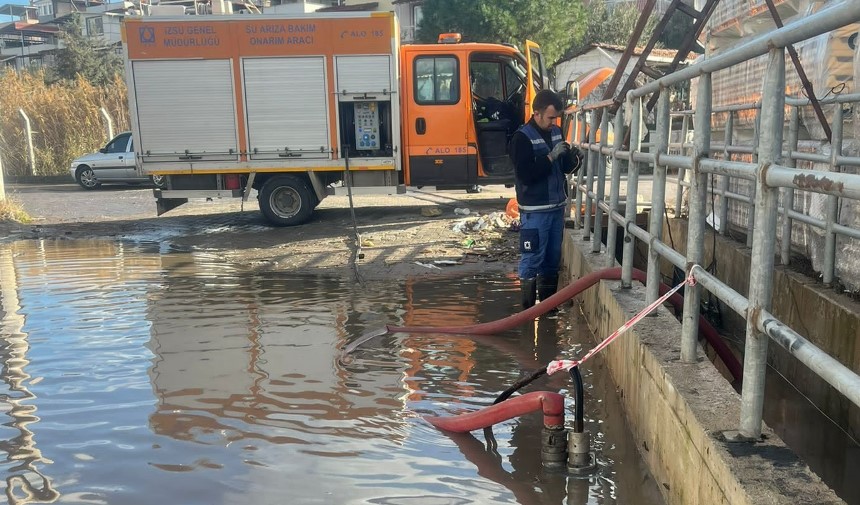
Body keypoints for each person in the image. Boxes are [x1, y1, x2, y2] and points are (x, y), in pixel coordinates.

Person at [508, 89, 583, 309]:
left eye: (556, 118)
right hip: (534, 212)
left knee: (552, 261)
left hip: (556, 208)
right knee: (531, 260)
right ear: (537, 113)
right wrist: (550, 156)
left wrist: (574, 159)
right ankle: (528, 313)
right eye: (550, 117)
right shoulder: (521, 139)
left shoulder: (557, 132)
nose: (553, 122)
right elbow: (526, 175)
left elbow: (565, 168)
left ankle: (548, 312)